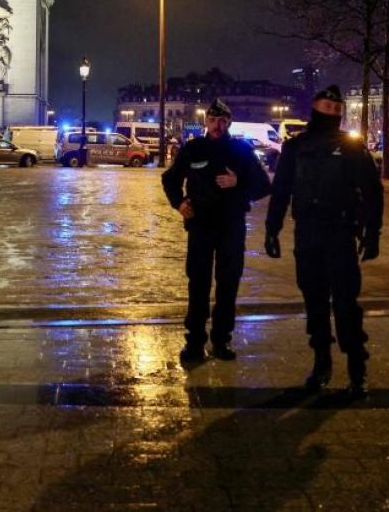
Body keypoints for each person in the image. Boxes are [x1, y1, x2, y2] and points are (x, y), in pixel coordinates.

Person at [264, 85, 383, 397]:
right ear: (315, 107)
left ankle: (357, 370)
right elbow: (281, 191)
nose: (332, 112)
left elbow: (372, 192)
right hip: (308, 233)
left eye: (336, 108)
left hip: (341, 233)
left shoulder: (352, 148)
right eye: (326, 106)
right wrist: (271, 228)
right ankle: (321, 364)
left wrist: (373, 234)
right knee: (314, 303)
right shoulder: (295, 147)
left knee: (346, 306)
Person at [163, 99, 271, 363]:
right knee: (198, 284)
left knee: (228, 284)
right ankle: (195, 341)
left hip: (231, 225)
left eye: (222, 121)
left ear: (229, 122)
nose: (217, 126)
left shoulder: (241, 150)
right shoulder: (193, 148)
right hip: (201, 226)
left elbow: (263, 185)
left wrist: (239, 181)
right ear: (206, 122)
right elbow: (170, 178)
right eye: (213, 120)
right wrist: (179, 203)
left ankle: (221, 340)